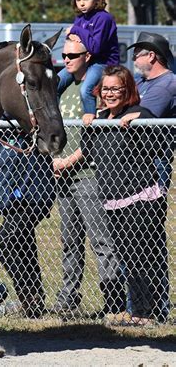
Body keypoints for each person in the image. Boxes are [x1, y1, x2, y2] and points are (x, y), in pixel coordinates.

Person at [82, 65, 165, 326]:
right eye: (105, 88)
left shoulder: (138, 115)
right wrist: (89, 122)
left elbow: (163, 142)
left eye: (116, 88)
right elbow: (90, 152)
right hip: (112, 200)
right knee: (127, 256)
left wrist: (140, 119)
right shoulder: (101, 117)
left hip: (140, 197)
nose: (109, 93)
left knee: (141, 254)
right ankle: (138, 310)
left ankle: (146, 313)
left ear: (127, 89)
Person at [52, 38, 126, 316]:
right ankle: (68, 299)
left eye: (72, 55)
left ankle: (114, 302)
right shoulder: (65, 87)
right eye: (64, 55)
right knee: (70, 242)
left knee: (101, 241)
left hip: (88, 175)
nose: (67, 59)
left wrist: (70, 160)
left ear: (87, 56)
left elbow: (96, 136)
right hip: (63, 177)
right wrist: (55, 160)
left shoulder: (92, 90)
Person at [120, 32, 175, 323]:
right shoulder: (142, 83)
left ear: (151, 55)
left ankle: (156, 308)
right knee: (132, 240)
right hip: (133, 167)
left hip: (153, 167)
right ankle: (138, 307)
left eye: (138, 54)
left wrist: (127, 112)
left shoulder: (168, 83)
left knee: (148, 239)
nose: (135, 60)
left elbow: (141, 114)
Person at [0, 127, 55, 318]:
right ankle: (34, 302)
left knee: (3, 243)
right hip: (14, 198)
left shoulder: (31, 125)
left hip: (33, 195)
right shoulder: (0, 131)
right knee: (24, 244)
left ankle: (29, 297)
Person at [57, 0, 119, 125]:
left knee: (86, 90)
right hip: (85, 61)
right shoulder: (80, 18)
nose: (82, 3)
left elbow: (95, 48)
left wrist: (77, 31)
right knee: (54, 83)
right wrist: (77, 35)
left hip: (103, 63)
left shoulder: (104, 18)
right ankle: (54, 117)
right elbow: (73, 40)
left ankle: (90, 118)